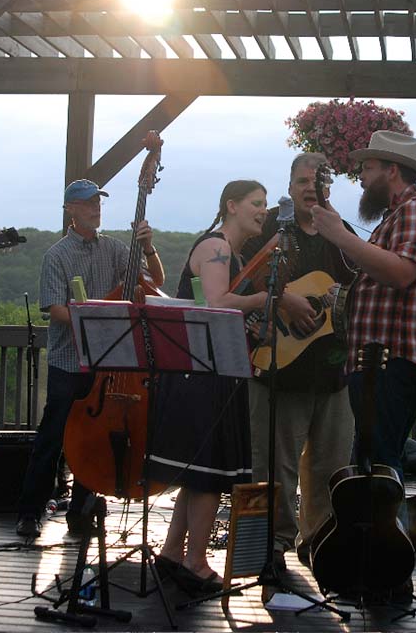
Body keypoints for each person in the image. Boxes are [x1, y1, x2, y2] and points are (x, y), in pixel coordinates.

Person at [311, 130, 416, 600]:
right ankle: (369, 570)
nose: (362, 175)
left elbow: (399, 272)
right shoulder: (395, 216)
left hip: (396, 358)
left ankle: (388, 579)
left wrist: (336, 234)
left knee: (383, 469)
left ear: (391, 170)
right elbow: (370, 268)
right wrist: (339, 231)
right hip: (376, 361)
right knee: (370, 468)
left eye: (368, 168)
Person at [16, 179, 164, 539]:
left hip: (107, 363)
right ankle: (29, 513)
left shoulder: (114, 249)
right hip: (70, 361)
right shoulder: (56, 255)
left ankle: (81, 514)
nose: (95, 208)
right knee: (53, 436)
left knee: (95, 437)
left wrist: (148, 248)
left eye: (98, 201)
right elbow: (54, 308)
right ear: (70, 210)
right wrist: (95, 319)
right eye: (87, 203)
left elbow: (155, 281)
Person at [149, 180, 269, 594]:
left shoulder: (234, 253)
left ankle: (171, 554)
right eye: (256, 203)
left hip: (214, 371)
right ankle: (196, 562)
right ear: (231, 206)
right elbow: (217, 302)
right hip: (201, 375)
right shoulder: (214, 246)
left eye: (265, 205)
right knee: (209, 474)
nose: (263, 211)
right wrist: (264, 300)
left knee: (200, 474)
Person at [242, 153, 355, 571]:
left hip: (332, 370)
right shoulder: (270, 225)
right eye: (303, 180)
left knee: (331, 466)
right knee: (274, 468)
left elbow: (354, 284)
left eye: (318, 181)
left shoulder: (336, 231)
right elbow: (242, 275)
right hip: (278, 366)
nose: (311, 188)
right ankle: (272, 548)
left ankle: (319, 544)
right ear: (290, 186)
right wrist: (282, 298)